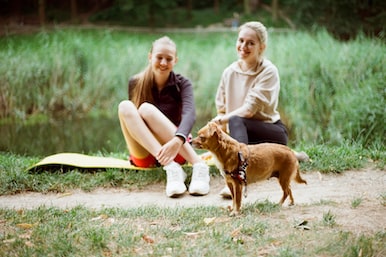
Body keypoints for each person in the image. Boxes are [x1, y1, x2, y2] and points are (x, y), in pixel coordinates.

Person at [211, 21, 308, 198]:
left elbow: (248, 110)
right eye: (241, 40)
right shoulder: (229, 72)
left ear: (261, 47)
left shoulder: (268, 71)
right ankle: (291, 155)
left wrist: (223, 121)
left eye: (250, 43)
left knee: (236, 120)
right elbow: (222, 109)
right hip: (240, 137)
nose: (243, 46)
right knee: (232, 125)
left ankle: (241, 180)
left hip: (270, 131)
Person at [118, 36, 210, 198]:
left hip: (176, 150)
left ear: (175, 60)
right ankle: (172, 168)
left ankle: (199, 166)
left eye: (168, 59)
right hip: (146, 154)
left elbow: (190, 113)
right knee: (125, 106)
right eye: (159, 57)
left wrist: (177, 139)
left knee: (146, 109)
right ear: (150, 56)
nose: (163, 63)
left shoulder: (182, 84)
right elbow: (134, 123)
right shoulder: (135, 82)